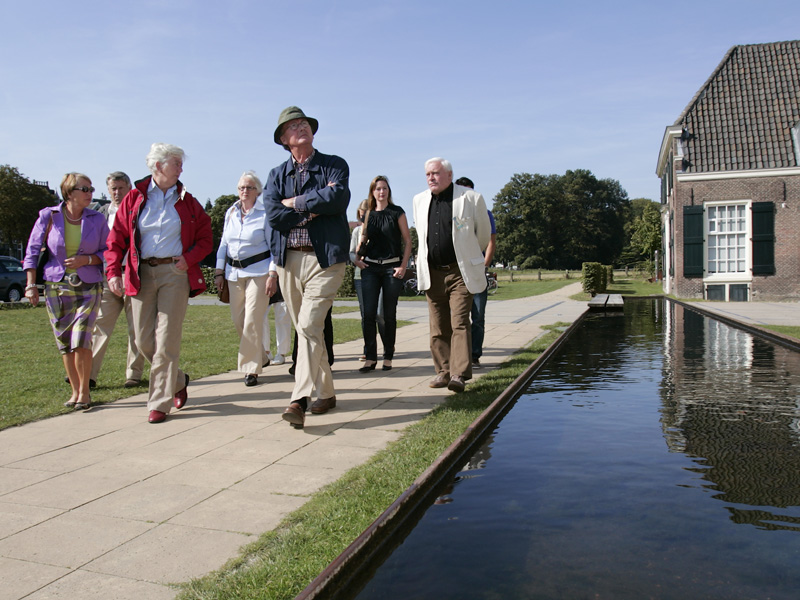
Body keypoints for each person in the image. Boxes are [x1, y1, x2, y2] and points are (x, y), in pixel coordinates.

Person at [105, 143, 212, 424]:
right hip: (140, 274)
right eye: (176, 163)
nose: (181, 168)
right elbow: (116, 239)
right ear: (158, 167)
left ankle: (159, 403)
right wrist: (113, 272)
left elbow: (205, 238)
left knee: (166, 340)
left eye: (180, 163)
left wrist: (188, 259)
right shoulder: (134, 199)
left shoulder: (188, 200)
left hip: (174, 275)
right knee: (143, 341)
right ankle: (178, 379)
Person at [264, 106, 350, 429]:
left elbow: (337, 198)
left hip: (325, 258)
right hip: (289, 260)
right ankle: (326, 392)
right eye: (293, 126)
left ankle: (298, 399)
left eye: (304, 124)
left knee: (310, 325)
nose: (300, 128)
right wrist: (316, 205)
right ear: (285, 139)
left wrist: (296, 203)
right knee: (306, 328)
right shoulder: (276, 175)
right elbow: (273, 215)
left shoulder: (334, 165)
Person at [23, 173, 109, 410]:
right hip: (56, 286)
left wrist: (88, 259)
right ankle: (74, 391)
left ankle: (84, 392)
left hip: (89, 285)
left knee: (82, 338)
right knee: (65, 342)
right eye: (85, 189)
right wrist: (31, 285)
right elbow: (31, 251)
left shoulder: (97, 219)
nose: (90, 193)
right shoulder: (48, 216)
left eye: (92, 188)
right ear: (70, 192)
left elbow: (109, 251)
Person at [412, 158, 490, 393]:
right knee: (437, 326)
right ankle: (443, 371)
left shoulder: (470, 198)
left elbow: (483, 235)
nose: (431, 178)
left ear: (449, 175)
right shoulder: (419, 200)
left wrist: (467, 257)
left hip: (459, 272)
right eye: (427, 174)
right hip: (432, 272)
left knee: (459, 323)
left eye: (435, 173)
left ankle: (459, 374)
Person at [215, 171, 278, 387]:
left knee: (252, 319)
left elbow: (274, 249)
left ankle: (251, 369)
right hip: (234, 274)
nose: (244, 191)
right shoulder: (231, 212)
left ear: (257, 191)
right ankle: (261, 355)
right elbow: (224, 244)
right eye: (241, 187)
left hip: (259, 273)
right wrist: (218, 271)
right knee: (238, 320)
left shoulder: (265, 214)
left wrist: (272, 274)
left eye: (249, 187)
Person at [89, 172, 145, 388]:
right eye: (113, 188)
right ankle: (90, 374)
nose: (117, 192)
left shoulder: (138, 209)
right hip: (108, 276)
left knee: (136, 327)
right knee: (101, 324)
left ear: (129, 188)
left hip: (132, 274)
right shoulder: (100, 213)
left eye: (121, 188)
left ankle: (134, 373)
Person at [353, 176, 412, 372]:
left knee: (387, 315)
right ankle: (370, 357)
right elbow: (363, 240)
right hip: (370, 268)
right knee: (368, 314)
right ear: (373, 192)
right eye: (378, 188)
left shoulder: (397, 212)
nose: (381, 192)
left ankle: (388, 355)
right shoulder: (368, 214)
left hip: (391, 268)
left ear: (388, 191)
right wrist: (357, 258)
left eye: (385, 188)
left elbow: (407, 241)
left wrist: (403, 266)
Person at [455, 177, 497, 369]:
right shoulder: (452, 214)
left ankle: (475, 355)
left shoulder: (485, 214)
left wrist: (484, 265)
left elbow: (490, 242)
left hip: (477, 270)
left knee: (478, 316)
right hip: (457, 272)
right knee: (457, 316)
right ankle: (459, 354)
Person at [350, 199, 385, 361]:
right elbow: (351, 253)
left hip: (379, 273)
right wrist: (357, 260)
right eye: (362, 216)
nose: (364, 219)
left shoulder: (380, 228)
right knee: (366, 315)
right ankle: (369, 350)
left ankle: (387, 347)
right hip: (361, 275)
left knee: (380, 313)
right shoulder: (357, 232)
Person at [263, 296, 290, 366]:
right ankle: (265, 351)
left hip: (280, 288)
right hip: (262, 287)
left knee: (282, 317)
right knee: (261, 317)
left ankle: (282, 352)